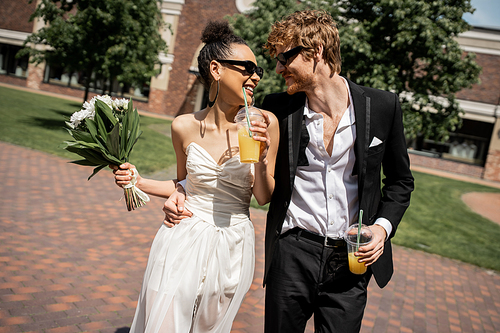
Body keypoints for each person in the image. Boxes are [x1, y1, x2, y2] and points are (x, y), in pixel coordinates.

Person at [165, 9, 414, 333]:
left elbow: (400, 181)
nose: (278, 69)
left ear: (316, 53)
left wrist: (381, 229)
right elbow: (215, 156)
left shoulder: (382, 106)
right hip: (291, 253)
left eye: (285, 58)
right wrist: (180, 191)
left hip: (351, 262)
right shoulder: (276, 109)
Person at [111, 20, 279, 333]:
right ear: (216, 69)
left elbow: (263, 197)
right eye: (246, 67)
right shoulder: (183, 126)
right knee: (165, 323)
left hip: (233, 244)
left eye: (259, 71)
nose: (255, 76)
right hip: (182, 237)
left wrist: (265, 155)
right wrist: (137, 180)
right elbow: (183, 186)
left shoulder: (265, 123)